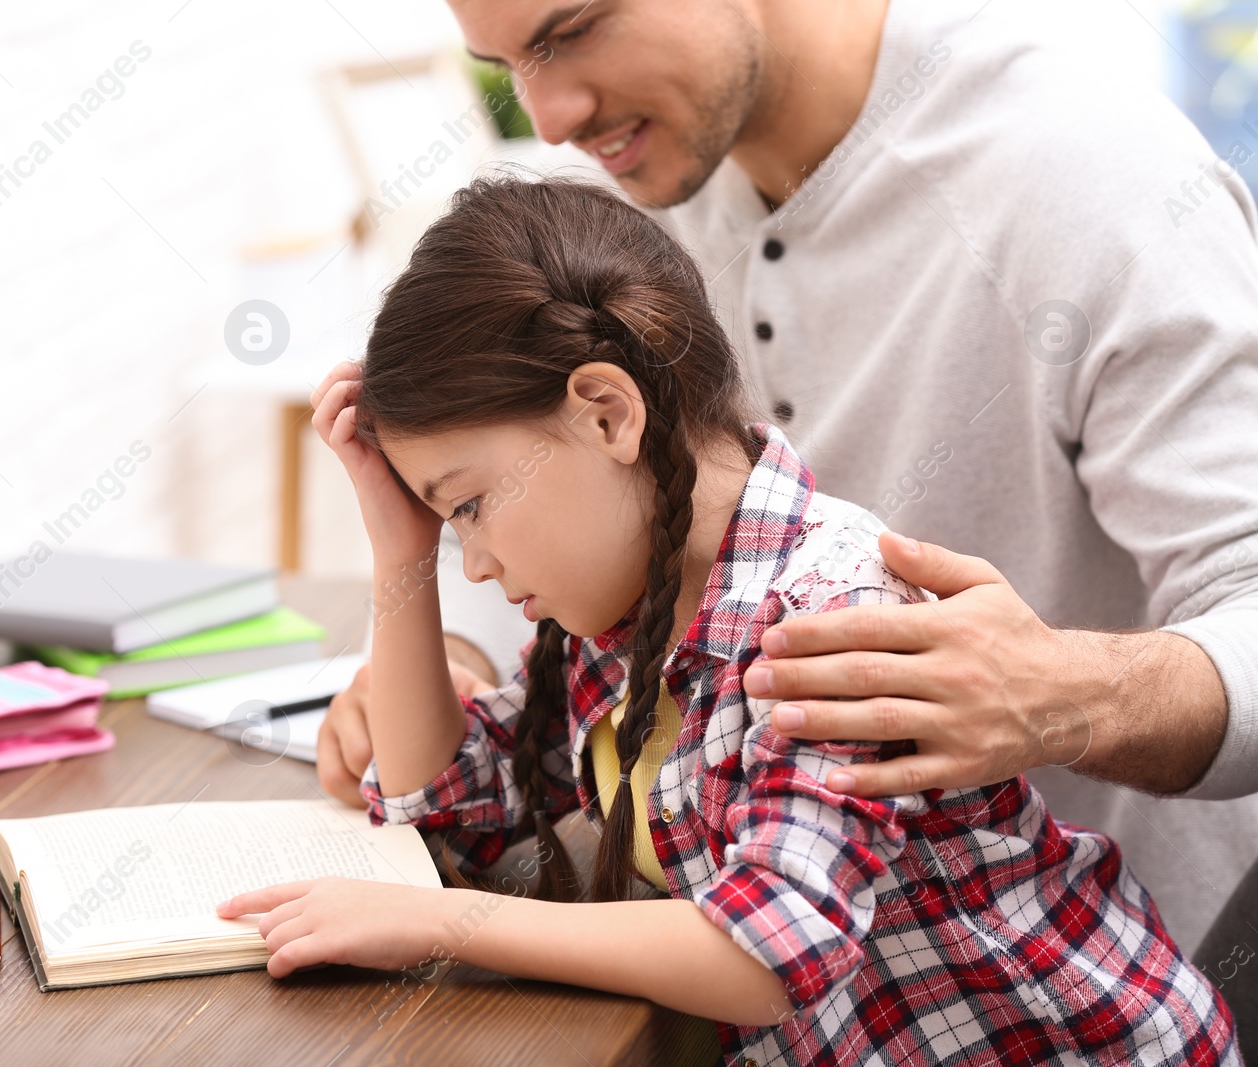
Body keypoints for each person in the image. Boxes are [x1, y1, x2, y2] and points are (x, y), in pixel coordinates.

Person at [219, 177, 1235, 1066]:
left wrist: (446, 922)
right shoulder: (622, 613)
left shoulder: (827, 614)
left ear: (608, 413)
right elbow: (444, 800)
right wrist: (401, 550)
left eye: (470, 503)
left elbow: (767, 952)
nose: (474, 557)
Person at [317, 0, 1258, 956]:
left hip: (1100, 979)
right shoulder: (613, 192)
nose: (549, 113)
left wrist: (1063, 691)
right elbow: (520, 500)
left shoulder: (1089, 175)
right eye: (509, 60)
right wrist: (458, 667)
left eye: (578, 27)